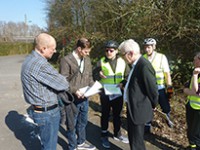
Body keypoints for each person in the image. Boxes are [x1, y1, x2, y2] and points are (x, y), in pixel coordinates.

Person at [21, 33, 69, 150]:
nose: (55, 51)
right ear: (43, 49)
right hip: (47, 113)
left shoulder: (29, 59)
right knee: (49, 146)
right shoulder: (40, 64)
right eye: (53, 49)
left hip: (39, 109)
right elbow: (63, 84)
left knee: (46, 143)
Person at [118, 39, 158, 150]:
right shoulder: (135, 64)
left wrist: (154, 105)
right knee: (133, 137)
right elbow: (135, 82)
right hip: (133, 107)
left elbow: (152, 89)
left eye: (122, 55)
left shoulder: (143, 66)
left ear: (130, 54)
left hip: (139, 109)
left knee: (137, 141)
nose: (122, 58)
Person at [59, 38, 96, 150]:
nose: (88, 53)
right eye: (86, 51)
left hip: (85, 98)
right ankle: (72, 146)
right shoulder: (66, 60)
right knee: (71, 124)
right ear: (79, 49)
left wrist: (94, 87)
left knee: (83, 122)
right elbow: (63, 81)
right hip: (71, 98)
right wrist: (75, 90)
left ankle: (81, 143)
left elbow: (89, 77)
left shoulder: (87, 60)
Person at [93, 40, 130, 148]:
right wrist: (98, 74)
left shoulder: (123, 61)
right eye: (107, 50)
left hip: (118, 92)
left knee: (117, 114)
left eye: (111, 50)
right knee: (105, 114)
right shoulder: (101, 61)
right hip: (105, 92)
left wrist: (123, 83)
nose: (109, 52)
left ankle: (117, 134)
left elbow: (128, 76)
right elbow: (94, 75)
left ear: (116, 51)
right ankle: (104, 134)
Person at [143, 38, 174, 130]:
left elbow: (167, 73)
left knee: (165, 106)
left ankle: (168, 120)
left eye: (148, 47)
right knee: (148, 107)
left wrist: (169, 88)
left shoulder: (161, 57)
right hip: (147, 88)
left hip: (159, 87)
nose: (147, 49)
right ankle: (147, 125)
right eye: (145, 47)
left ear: (154, 47)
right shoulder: (142, 58)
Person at [183, 52, 200, 150]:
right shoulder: (196, 72)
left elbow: (195, 91)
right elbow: (185, 88)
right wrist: (191, 92)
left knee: (196, 134)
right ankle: (191, 147)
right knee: (190, 131)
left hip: (198, 109)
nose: (193, 61)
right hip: (191, 105)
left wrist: (194, 75)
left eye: (195, 59)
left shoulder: (195, 73)